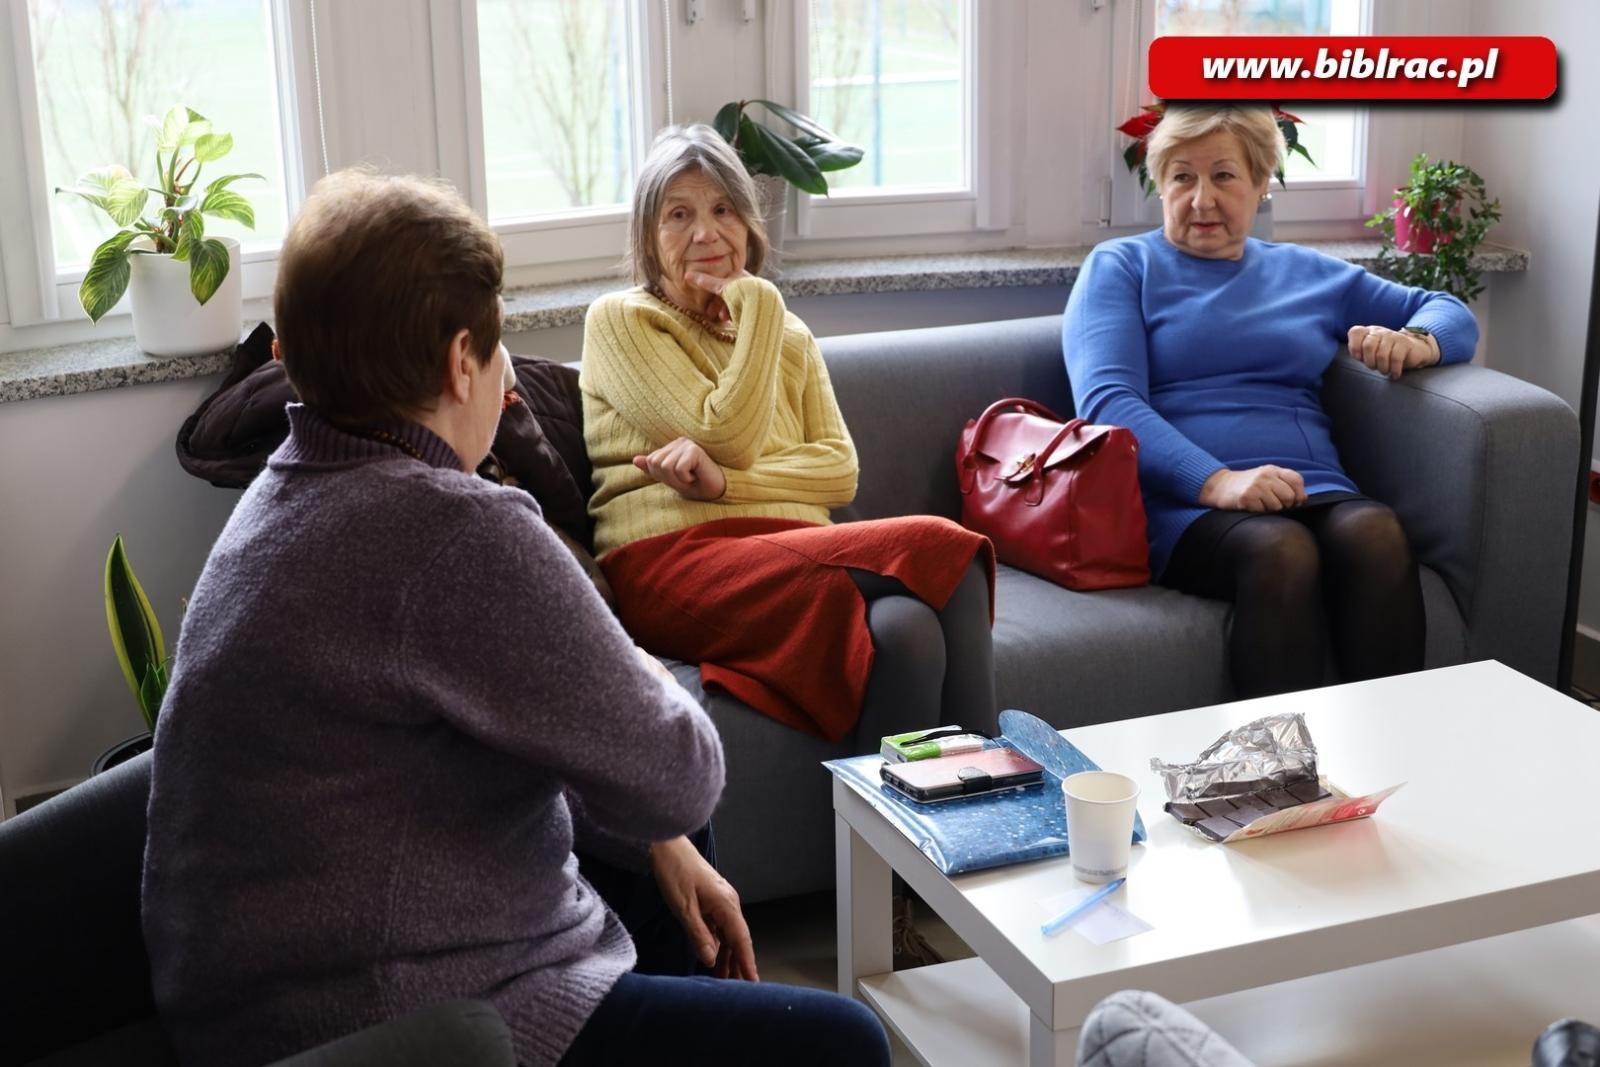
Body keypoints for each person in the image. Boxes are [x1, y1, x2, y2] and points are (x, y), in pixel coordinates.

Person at [140, 169, 890, 1067]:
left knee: (667, 853)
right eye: (497, 353)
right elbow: (683, 773)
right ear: (463, 363)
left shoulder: (282, 493)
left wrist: (661, 840)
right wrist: (645, 669)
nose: (507, 381)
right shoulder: (456, 530)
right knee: (843, 1041)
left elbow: (532, 759)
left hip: (261, 988)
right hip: (410, 1018)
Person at [581, 124, 996, 744]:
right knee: (948, 550)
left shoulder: (790, 336)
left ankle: (884, 838)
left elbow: (837, 470)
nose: (706, 233)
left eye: (723, 209)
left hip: (791, 555)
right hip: (675, 561)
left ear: (749, 223)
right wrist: (761, 303)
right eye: (678, 214)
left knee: (906, 632)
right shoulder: (622, 321)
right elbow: (724, 433)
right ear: (647, 236)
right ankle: (993, 801)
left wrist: (724, 484)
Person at [1063, 104, 1478, 699]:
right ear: (1160, 186)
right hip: (1185, 506)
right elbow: (1108, 402)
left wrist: (1417, 342)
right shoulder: (1123, 266)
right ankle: (1276, 788)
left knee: (1377, 533)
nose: (1201, 199)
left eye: (1224, 176)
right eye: (1182, 177)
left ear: (1261, 183)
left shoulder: (1310, 274)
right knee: (1281, 549)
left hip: (1311, 486)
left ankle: (1396, 765)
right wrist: (1217, 482)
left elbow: (1450, 312)